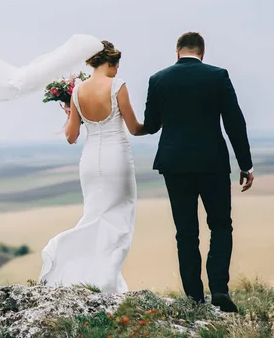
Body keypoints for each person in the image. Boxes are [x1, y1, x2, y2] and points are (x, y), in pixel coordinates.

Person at [143, 32, 254, 312]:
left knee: (186, 231)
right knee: (220, 225)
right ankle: (219, 289)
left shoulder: (158, 79)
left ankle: (194, 297)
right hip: (212, 163)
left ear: (177, 52)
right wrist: (245, 164)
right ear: (202, 53)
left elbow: (152, 124)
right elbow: (234, 123)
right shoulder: (218, 76)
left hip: (174, 164)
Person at [39, 41, 146, 293]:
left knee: (94, 216)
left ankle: (86, 276)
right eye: (116, 65)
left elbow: (71, 136)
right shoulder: (117, 86)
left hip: (89, 162)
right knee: (119, 220)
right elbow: (134, 128)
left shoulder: (77, 91)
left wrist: (69, 113)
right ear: (110, 62)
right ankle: (105, 282)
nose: (117, 70)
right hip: (116, 159)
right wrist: (157, 123)